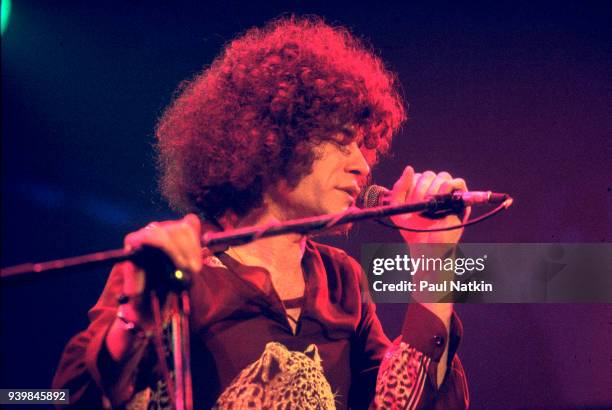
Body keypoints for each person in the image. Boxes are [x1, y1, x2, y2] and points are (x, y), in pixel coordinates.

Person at [53, 16, 470, 409]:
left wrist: (434, 261)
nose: (363, 164)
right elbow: (73, 398)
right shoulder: (176, 263)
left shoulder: (341, 279)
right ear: (274, 138)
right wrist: (136, 317)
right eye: (344, 141)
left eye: (365, 146)